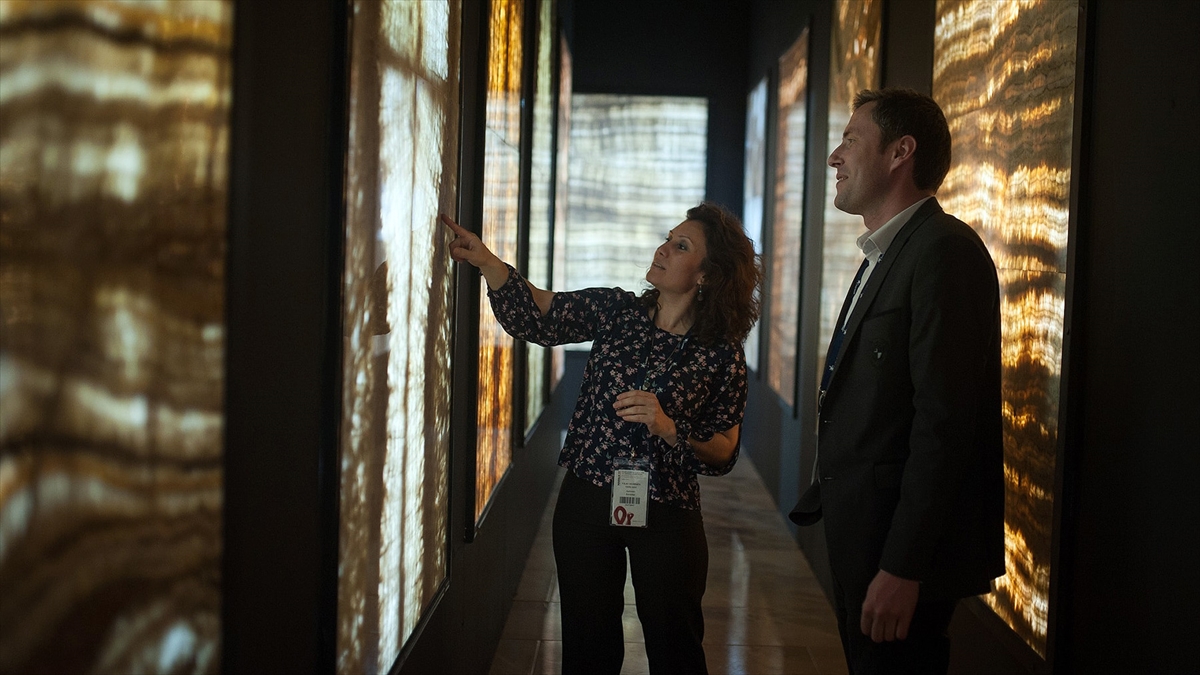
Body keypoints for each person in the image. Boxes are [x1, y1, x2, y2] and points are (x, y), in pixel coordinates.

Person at [443, 202, 762, 675]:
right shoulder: (618, 310)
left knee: (675, 648)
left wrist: (670, 428)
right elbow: (540, 314)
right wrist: (487, 262)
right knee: (588, 648)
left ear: (707, 275)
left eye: (681, 246)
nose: (662, 250)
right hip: (587, 503)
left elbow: (725, 450)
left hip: (668, 510)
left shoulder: (721, 353)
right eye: (667, 238)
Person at [789, 88, 1004, 673]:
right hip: (865, 537)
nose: (834, 156)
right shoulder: (887, 253)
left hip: (898, 554)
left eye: (850, 139)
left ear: (899, 152)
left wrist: (904, 565)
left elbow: (945, 424)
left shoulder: (944, 252)